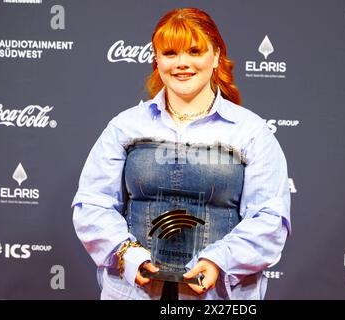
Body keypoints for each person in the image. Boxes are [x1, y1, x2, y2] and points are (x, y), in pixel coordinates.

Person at [71, 7, 291, 300]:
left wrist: (218, 261)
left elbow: (270, 219)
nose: (182, 63)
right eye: (170, 53)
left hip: (217, 296)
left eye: (195, 51)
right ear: (157, 61)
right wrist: (127, 254)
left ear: (216, 57)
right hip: (133, 293)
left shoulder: (251, 131)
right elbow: (93, 204)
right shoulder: (124, 126)